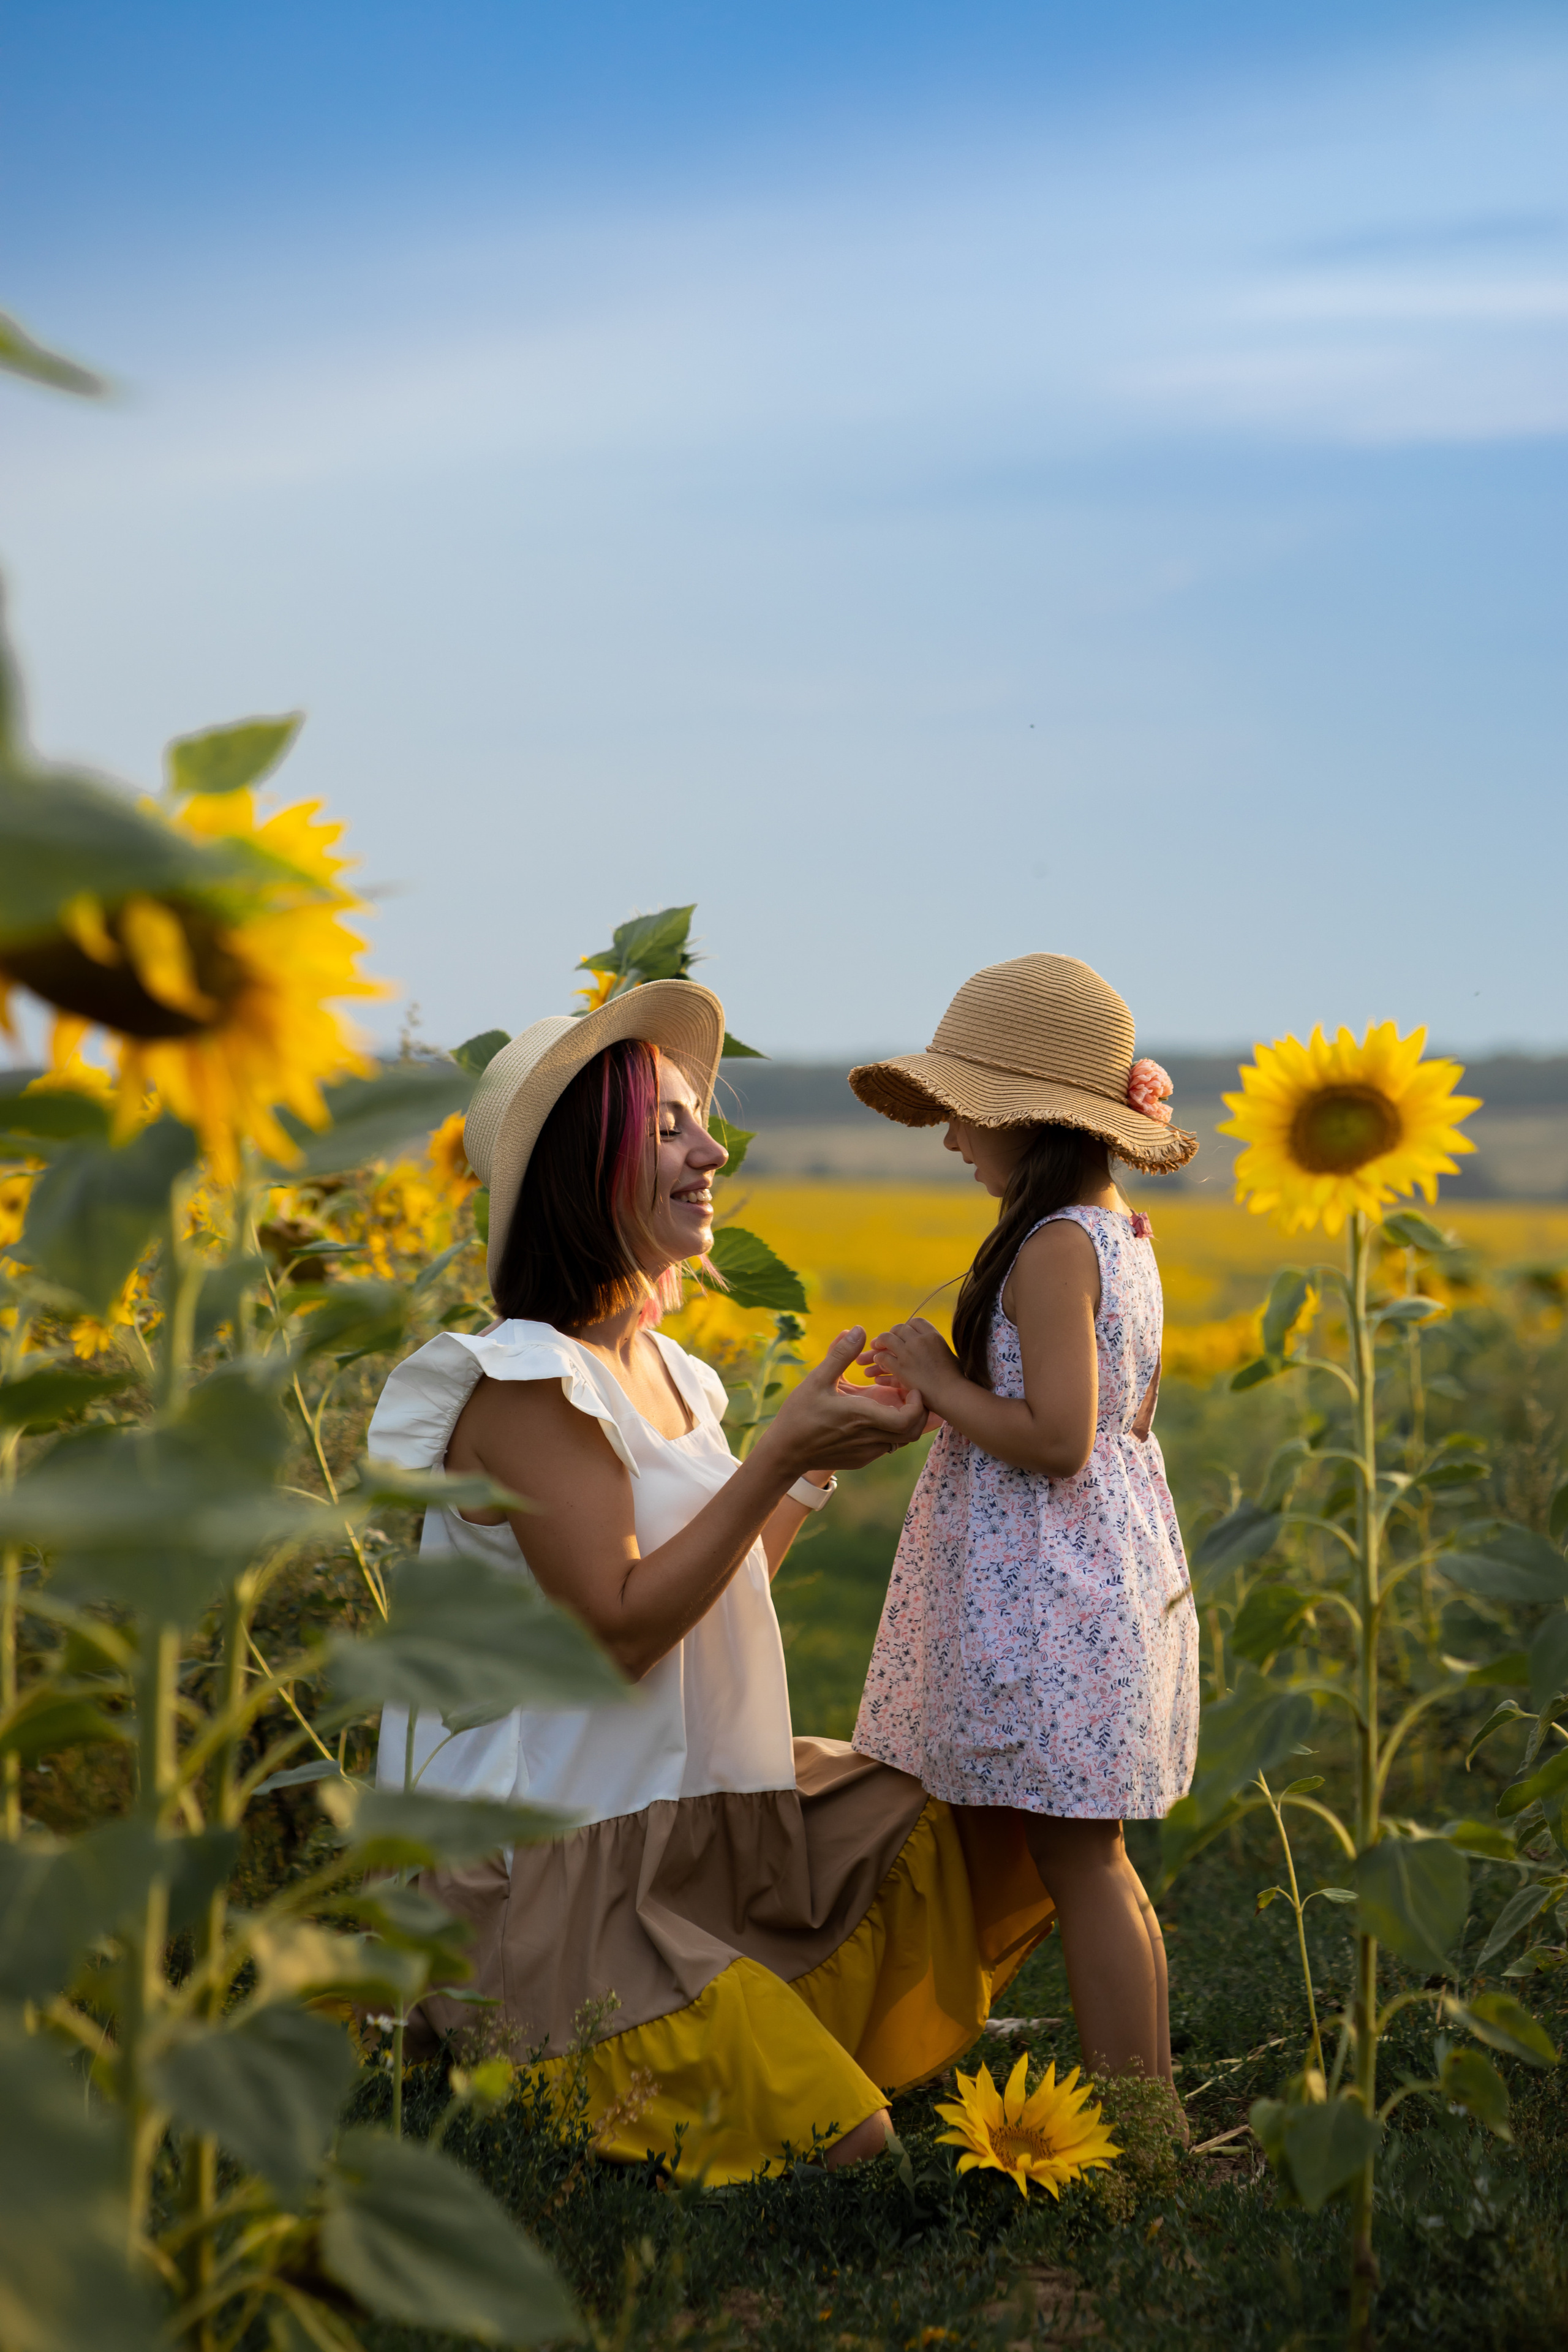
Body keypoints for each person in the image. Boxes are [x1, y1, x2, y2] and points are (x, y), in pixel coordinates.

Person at [367, 978, 1055, 2182]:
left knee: (972, 1800)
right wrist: (780, 1452)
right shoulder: (521, 1384)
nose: (712, 1147)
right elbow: (620, 1636)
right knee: (852, 2157)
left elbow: (714, 1596)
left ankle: (796, 2030)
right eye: (670, 1126)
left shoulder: (676, 1374)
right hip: (554, 1874)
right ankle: (563, 2047)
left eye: (700, 1121)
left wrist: (804, 1474)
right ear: (587, 1169)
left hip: (677, 1815)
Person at [846, 952, 1200, 2095]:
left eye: (967, 1116)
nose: (954, 1140)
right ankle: (1147, 2108)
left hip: (1058, 1597)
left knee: (1082, 1860)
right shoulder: (1120, 1233)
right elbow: (1130, 1417)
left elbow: (1059, 1439)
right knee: (1096, 1859)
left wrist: (938, 1378)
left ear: (1031, 1122)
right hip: (1097, 1575)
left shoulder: (1052, 1247)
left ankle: (1139, 2121)